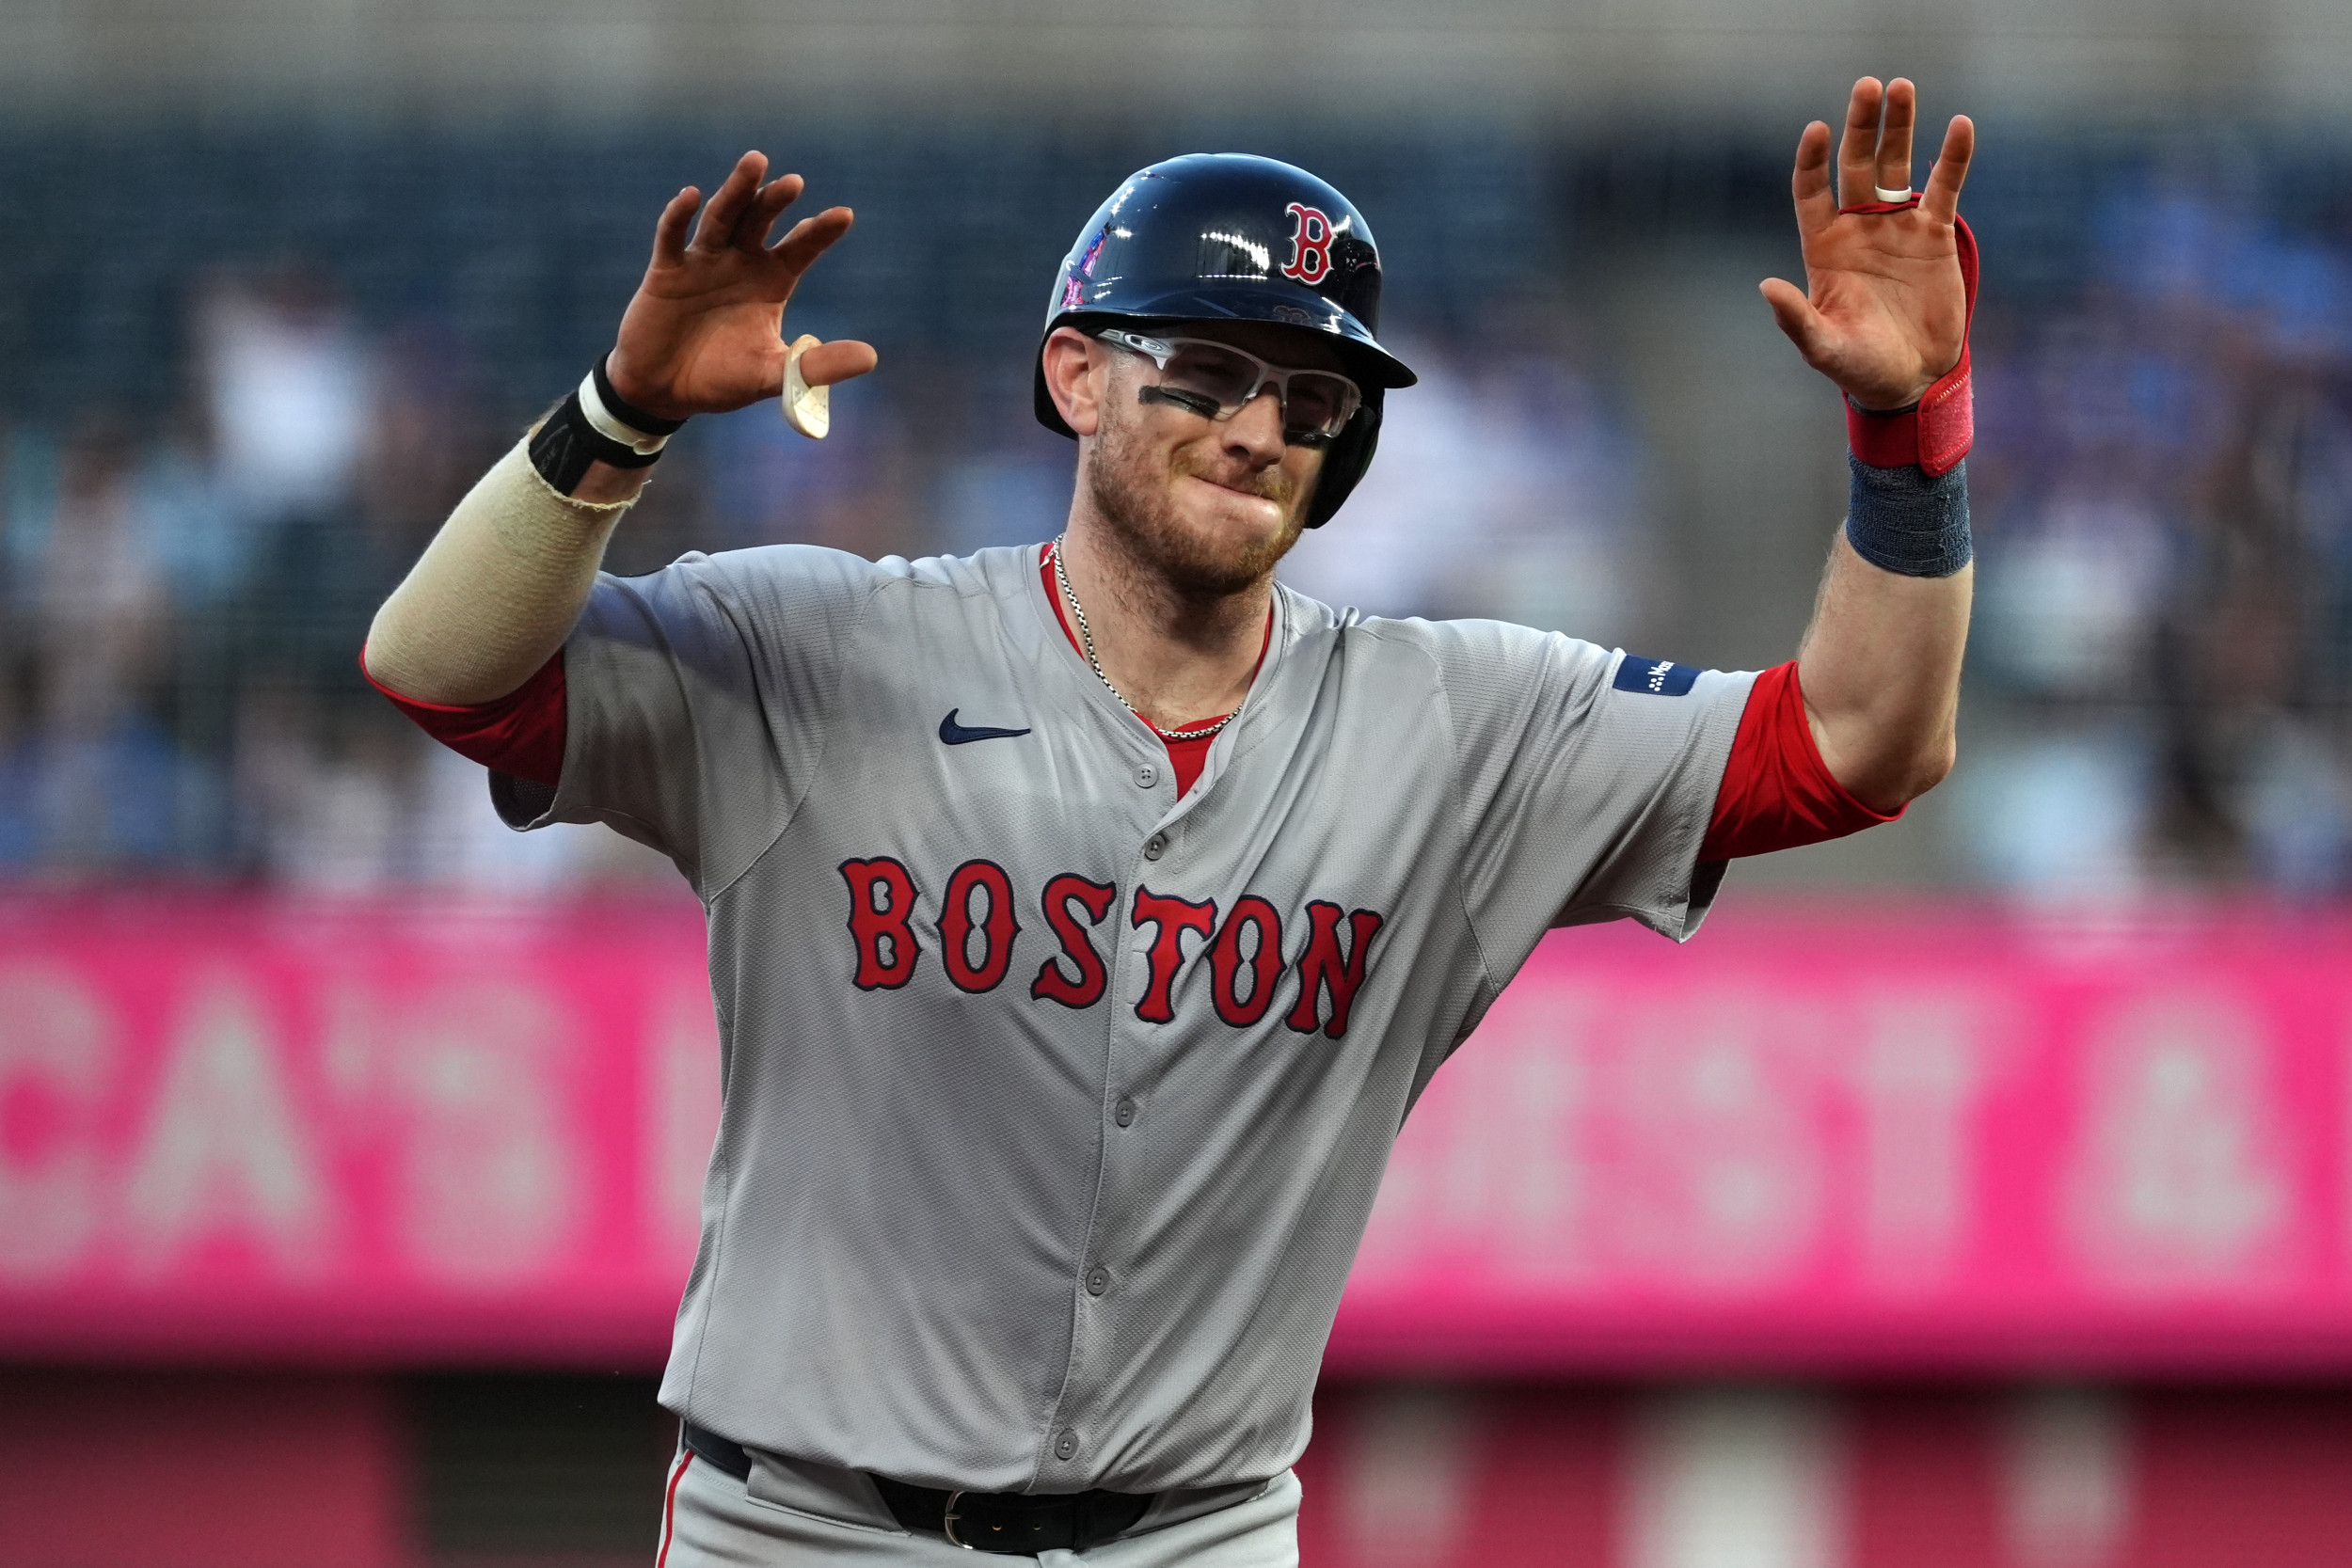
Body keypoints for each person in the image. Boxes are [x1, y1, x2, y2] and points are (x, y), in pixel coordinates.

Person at [364, 76, 1976, 1568]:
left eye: (1313, 392)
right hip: (806, 1525)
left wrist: (1910, 439)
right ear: (1075, 371)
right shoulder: (830, 649)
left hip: (1192, 1535)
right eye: (1205, 368)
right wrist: (616, 413)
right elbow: (440, 673)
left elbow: (1859, 744)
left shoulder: (1462, 725)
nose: (1261, 424)